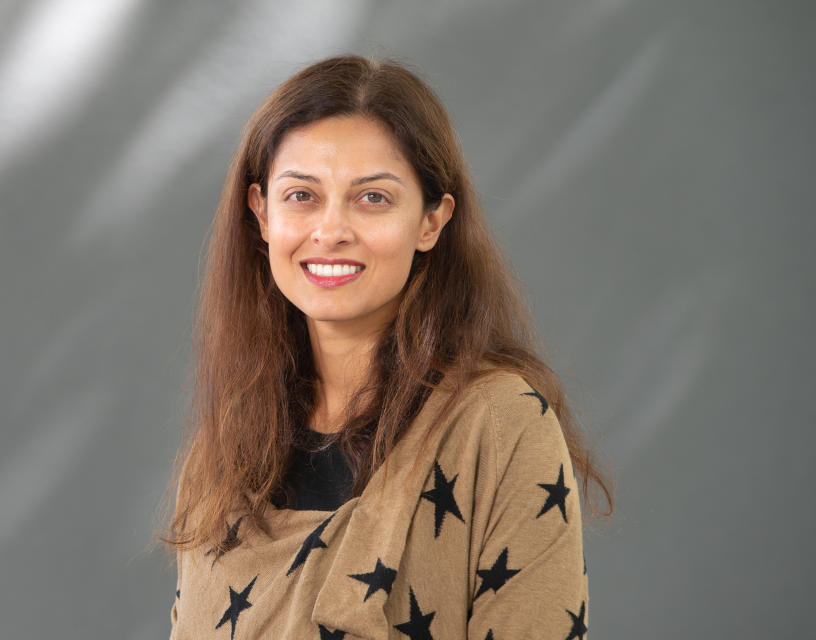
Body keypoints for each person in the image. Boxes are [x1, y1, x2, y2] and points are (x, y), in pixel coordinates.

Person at [158, 54, 613, 639]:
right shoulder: (222, 452)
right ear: (261, 213)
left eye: (372, 198)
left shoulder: (499, 425)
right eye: (302, 196)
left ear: (431, 221)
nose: (331, 230)